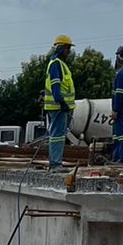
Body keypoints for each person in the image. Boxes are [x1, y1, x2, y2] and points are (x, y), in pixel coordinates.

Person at [43, 35, 76, 170]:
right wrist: (61, 102)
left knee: (58, 135)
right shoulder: (56, 64)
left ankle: (55, 162)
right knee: (57, 135)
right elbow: (56, 86)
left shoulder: (59, 64)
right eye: (67, 48)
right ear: (61, 48)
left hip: (59, 106)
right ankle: (55, 164)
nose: (68, 51)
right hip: (57, 106)